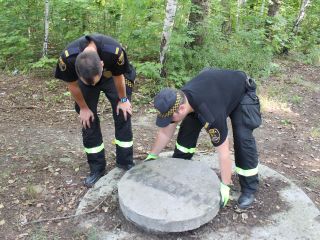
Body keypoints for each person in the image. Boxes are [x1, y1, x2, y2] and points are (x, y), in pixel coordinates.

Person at [146, 68, 262, 209]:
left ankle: (249, 187)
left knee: (243, 138)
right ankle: (180, 163)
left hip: (241, 92)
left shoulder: (210, 114)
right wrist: (152, 155)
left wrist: (225, 184)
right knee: (188, 127)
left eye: (171, 118)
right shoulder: (179, 99)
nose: (170, 121)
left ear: (181, 109)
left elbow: (224, 152)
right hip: (214, 91)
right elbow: (165, 132)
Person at [55, 33, 136, 187]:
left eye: (95, 82)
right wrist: (84, 108)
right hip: (86, 78)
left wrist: (123, 100)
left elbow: (119, 76)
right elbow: (72, 85)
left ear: (101, 62)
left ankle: (125, 162)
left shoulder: (113, 52)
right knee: (88, 121)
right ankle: (97, 168)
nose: (94, 86)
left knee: (123, 113)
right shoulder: (67, 59)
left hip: (112, 77)